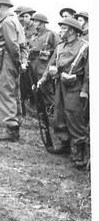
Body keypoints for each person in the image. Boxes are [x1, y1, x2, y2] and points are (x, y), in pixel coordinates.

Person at [37, 17, 89, 168]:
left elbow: (88, 73)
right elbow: (50, 64)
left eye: (64, 29)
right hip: (59, 84)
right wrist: (42, 79)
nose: (60, 31)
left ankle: (80, 152)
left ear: (72, 31)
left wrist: (85, 91)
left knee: (75, 116)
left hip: (76, 86)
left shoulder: (85, 47)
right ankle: (65, 144)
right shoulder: (60, 47)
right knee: (59, 114)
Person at [0, 0, 28, 142]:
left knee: (5, 92)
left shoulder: (6, 22)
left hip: (5, 60)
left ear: (1, 7)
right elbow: (21, 44)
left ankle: (11, 129)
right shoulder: (13, 20)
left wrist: (16, 61)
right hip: (8, 60)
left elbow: (13, 46)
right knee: (11, 92)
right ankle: (14, 124)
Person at [29, 13, 59, 106]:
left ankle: (53, 111)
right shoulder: (34, 35)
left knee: (47, 90)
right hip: (34, 66)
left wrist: (49, 52)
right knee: (37, 89)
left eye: (36, 21)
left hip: (45, 66)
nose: (34, 23)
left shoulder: (51, 34)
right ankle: (42, 112)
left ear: (42, 23)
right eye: (33, 21)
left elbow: (58, 49)